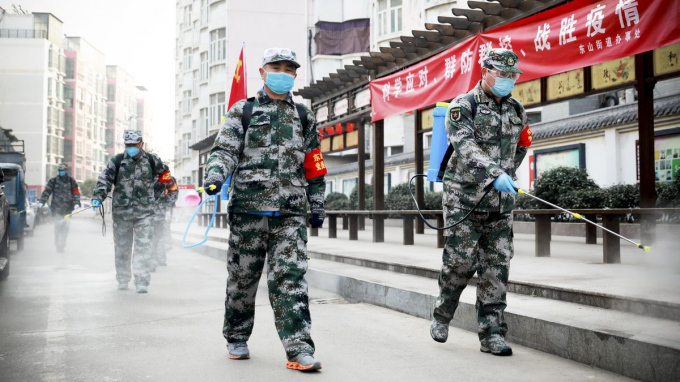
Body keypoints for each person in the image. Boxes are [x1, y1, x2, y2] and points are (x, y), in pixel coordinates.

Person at [202, 47, 326, 371]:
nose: (283, 73)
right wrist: (216, 175)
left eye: (289, 68)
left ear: (295, 74)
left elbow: (313, 165)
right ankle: (237, 336)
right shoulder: (243, 111)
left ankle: (298, 348)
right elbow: (224, 150)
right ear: (262, 71)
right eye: (276, 66)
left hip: (290, 214)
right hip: (248, 213)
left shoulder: (303, 115)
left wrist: (318, 203)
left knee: (291, 279)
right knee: (243, 279)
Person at [430, 48, 533, 356]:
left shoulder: (517, 110)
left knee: (496, 267)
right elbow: (464, 146)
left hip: (501, 203)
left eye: (512, 75)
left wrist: (508, 174)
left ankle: (492, 334)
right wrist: (493, 172)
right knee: (459, 263)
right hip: (464, 199)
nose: (507, 80)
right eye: (501, 74)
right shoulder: (463, 106)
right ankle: (441, 316)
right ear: (485, 71)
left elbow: (523, 145)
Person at [91, 130, 172, 293]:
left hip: (145, 212)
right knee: (122, 247)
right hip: (122, 213)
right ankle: (122, 278)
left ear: (141, 144)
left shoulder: (151, 160)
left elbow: (166, 174)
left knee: (144, 246)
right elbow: (105, 179)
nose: (131, 148)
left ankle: (142, 280)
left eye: (134, 145)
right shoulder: (117, 161)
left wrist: (156, 191)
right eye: (128, 145)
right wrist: (98, 196)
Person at [38, 163, 81, 252]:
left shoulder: (71, 181)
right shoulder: (53, 181)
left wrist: (77, 203)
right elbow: (47, 192)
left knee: (65, 227)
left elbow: (76, 192)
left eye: (63, 170)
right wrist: (42, 202)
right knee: (57, 227)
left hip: (68, 209)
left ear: (66, 170)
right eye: (60, 170)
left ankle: (63, 244)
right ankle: (58, 245)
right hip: (56, 208)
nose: (61, 172)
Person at [149, 174, 178, 271]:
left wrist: (168, 207)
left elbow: (174, 191)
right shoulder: (144, 173)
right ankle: (152, 261)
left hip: (162, 212)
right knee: (150, 237)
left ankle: (159, 259)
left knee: (159, 236)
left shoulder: (166, 176)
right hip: (146, 212)